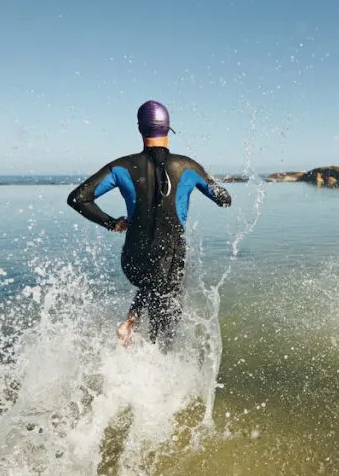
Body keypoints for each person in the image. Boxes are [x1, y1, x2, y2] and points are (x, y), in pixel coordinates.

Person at [67, 100, 232, 348]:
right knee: (165, 334)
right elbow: (224, 199)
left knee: (150, 282)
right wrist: (206, 179)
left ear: (140, 129)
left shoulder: (121, 166)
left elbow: (78, 198)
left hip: (133, 260)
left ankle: (131, 320)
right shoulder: (187, 166)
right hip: (169, 260)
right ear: (168, 129)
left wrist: (112, 223)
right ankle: (153, 361)